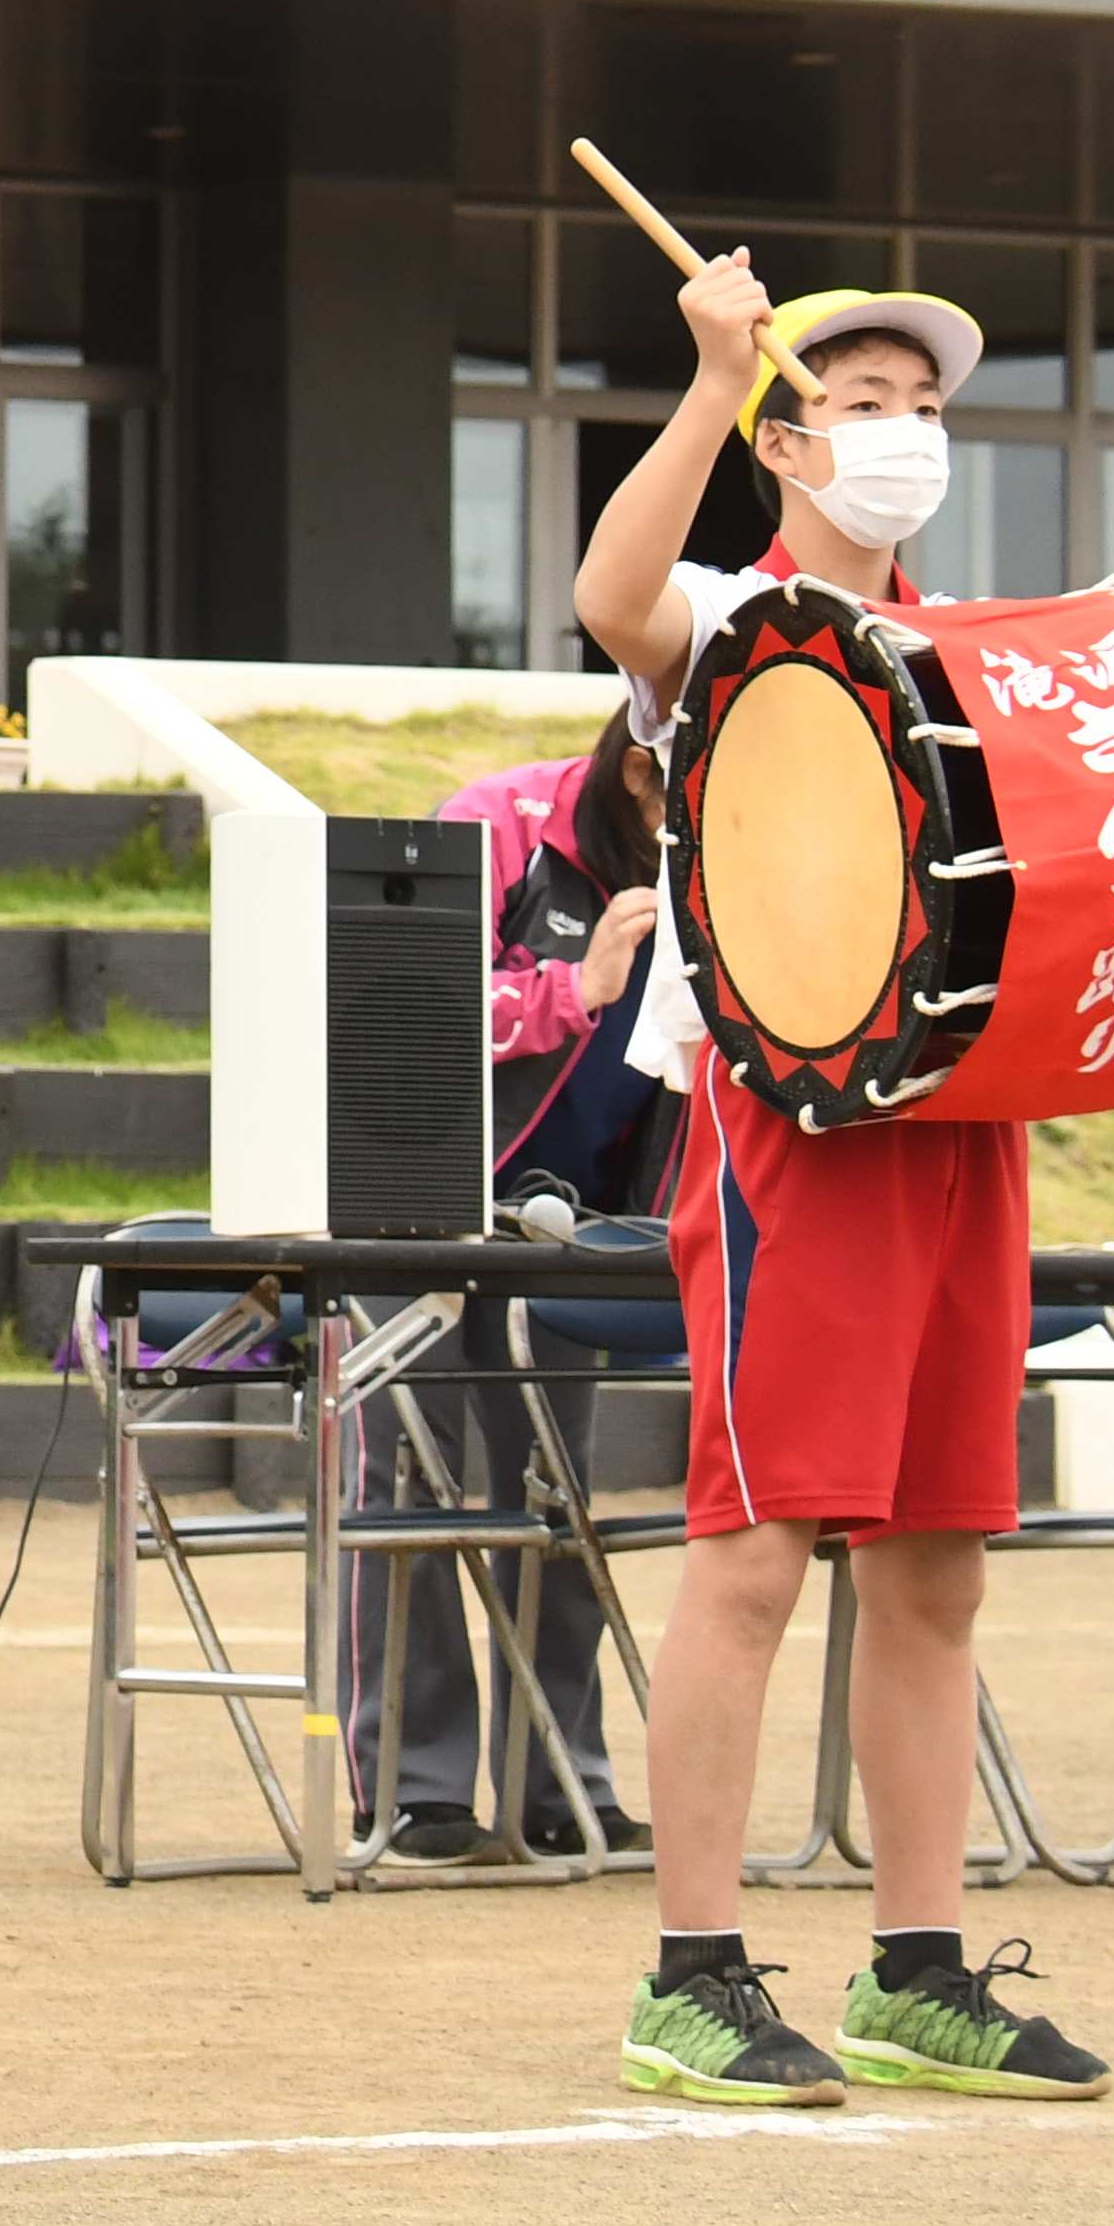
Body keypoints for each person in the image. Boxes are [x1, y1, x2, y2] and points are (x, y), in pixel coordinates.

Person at [576, 266, 1114, 2110]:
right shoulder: (737, 618)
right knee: (754, 1548)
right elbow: (611, 598)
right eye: (862, 399)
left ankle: (919, 1970)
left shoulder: (967, 645)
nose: (906, 432)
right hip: (789, 1127)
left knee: (939, 1563)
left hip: (967, 1120)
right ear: (786, 440)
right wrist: (708, 381)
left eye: (926, 404)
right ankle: (689, 1974)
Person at [366, 715, 673, 1866]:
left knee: (557, 1497)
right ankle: (416, 1791)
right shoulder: (497, 822)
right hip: (414, 1207)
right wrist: (576, 985)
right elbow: (409, 1005)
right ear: (640, 769)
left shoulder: (719, 872)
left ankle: (560, 1785)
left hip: (573, 1226)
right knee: (408, 1484)